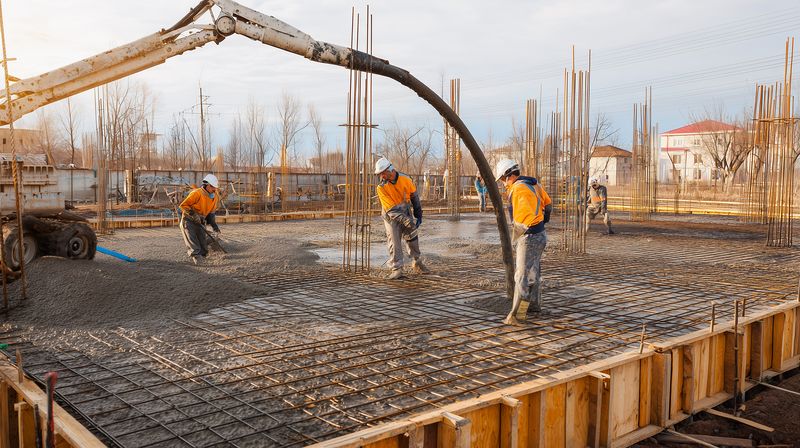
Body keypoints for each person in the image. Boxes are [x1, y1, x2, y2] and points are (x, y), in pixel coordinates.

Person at [495, 159, 552, 325]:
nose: (503, 184)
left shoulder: (518, 189)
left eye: (503, 179)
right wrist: (542, 223)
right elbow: (548, 205)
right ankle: (532, 305)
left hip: (529, 236)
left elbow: (525, 218)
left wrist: (521, 233)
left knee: (521, 276)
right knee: (533, 272)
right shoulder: (534, 185)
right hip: (539, 234)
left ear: (510, 175)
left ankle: (518, 315)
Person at [375, 157, 428, 279]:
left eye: (383, 173)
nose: (381, 176)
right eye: (380, 174)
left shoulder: (406, 180)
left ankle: (417, 262)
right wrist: (407, 221)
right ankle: (397, 268)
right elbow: (391, 210)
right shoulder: (381, 187)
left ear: (390, 170)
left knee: (412, 235)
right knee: (394, 241)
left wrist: (418, 215)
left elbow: (415, 198)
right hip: (390, 215)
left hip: (405, 209)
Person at [180, 173, 221, 264]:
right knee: (192, 239)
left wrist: (214, 226)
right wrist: (193, 214)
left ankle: (203, 255)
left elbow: (211, 213)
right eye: (212, 187)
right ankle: (197, 257)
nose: (214, 189)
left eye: (215, 187)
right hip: (189, 220)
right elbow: (183, 205)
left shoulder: (215, 196)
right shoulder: (196, 193)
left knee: (202, 241)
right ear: (206, 185)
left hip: (201, 220)